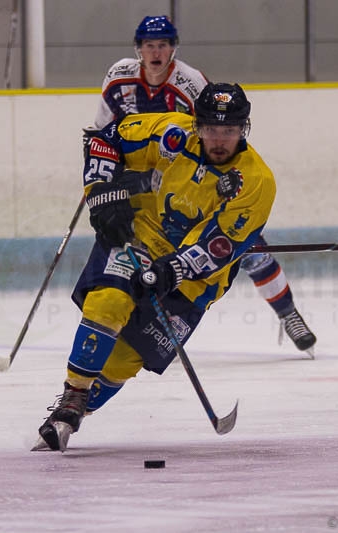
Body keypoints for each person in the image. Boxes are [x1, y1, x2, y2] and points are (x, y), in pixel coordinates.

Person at [34, 82, 276, 451]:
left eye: (229, 130)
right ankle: (72, 400)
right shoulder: (170, 133)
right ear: (197, 124)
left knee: (125, 359)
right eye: (211, 129)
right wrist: (101, 193)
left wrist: (173, 269)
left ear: (244, 129)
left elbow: (219, 246)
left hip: (196, 280)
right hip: (142, 236)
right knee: (109, 302)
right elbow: (104, 141)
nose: (219, 140)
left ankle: (76, 411)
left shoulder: (256, 182)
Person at [91, 15, 317, 355]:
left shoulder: (190, 81)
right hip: (139, 179)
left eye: (163, 45)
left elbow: (221, 130)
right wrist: (105, 177)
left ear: (173, 48)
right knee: (130, 248)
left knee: (248, 249)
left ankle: (288, 313)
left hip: (185, 180)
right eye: (150, 45)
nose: (156, 52)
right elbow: (102, 130)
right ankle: (123, 326)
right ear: (138, 49)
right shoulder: (118, 75)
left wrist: (223, 177)